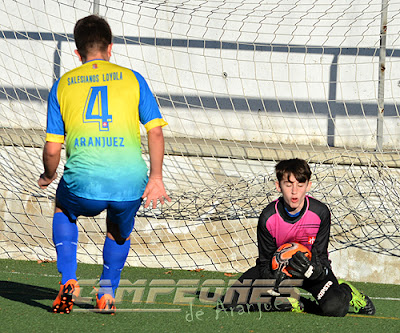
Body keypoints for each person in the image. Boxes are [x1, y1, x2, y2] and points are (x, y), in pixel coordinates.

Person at [38, 14, 171, 314]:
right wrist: (157, 177)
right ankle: (107, 291)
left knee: (64, 207)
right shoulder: (133, 78)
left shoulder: (62, 86)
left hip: (84, 182)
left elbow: (52, 148)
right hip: (129, 181)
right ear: (110, 48)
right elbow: (156, 131)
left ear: (77, 52)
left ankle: (69, 279)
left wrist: (48, 175)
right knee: (118, 230)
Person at [220, 158, 375, 316]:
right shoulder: (268, 217)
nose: (294, 191)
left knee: (335, 308)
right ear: (278, 186)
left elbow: (321, 256)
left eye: (300, 185)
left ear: (308, 185)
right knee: (230, 302)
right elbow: (265, 262)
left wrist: (316, 272)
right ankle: (296, 301)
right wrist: (272, 277)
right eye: (288, 184)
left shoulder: (320, 213)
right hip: (278, 273)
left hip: (310, 272)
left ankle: (346, 291)